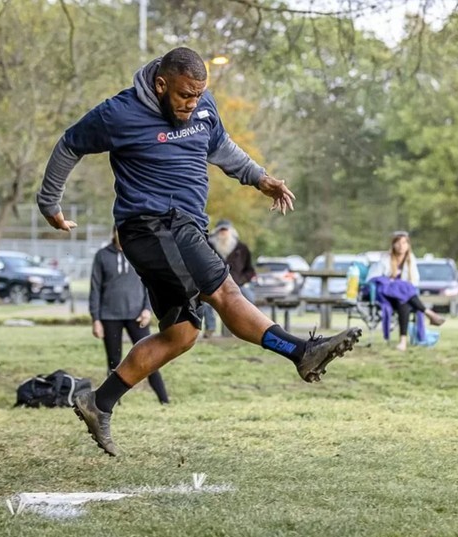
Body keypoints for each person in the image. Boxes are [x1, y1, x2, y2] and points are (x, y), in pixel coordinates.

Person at [36, 47, 362, 456]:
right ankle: (301, 351)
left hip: (184, 225)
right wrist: (50, 204)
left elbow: (222, 146)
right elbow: (70, 144)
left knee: (182, 335)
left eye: (198, 95)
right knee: (225, 292)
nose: (193, 104)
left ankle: (98, 402)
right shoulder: (118, 113)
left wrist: (260, 178)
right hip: (152, 225)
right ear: (161, 84)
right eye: (185, 95)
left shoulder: (202, 107)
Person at [89, 227, 169, 405]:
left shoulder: (139, 254)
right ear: (114, 233)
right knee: (114, 360)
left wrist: (147, 309)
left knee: (150, 356)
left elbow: (150, 284)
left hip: (137, 316)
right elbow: (95, 288)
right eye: (119, 230)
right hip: (109, 316)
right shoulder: (102, 256)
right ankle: (111, 402)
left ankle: (164, 400)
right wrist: (96, 319)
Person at [367, 231, 445, 351]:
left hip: (404, 297)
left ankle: (402, 342)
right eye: (398, 242)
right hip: (387, 295)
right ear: (393, 245)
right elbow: (375, 277)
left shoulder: (411, 260)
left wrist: (401, 285)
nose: (401, 245)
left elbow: (414, 282)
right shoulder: (385, 259)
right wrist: (393, 283)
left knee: (404, 301)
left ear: (408, 245)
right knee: (401, 289)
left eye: (404, 242)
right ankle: (429, 313)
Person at [203, 219, 256, 338]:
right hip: (213, 285)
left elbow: (250, 270)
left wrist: (242, 280)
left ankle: (245, 330)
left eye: (225, 229)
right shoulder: (207, 247)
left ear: (231, 231)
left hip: (238, 285)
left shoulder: (242, 248)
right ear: (216, 231)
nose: (223, 232)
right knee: (204, 303)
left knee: (249, 299)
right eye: (221, 230)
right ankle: (210, 328)